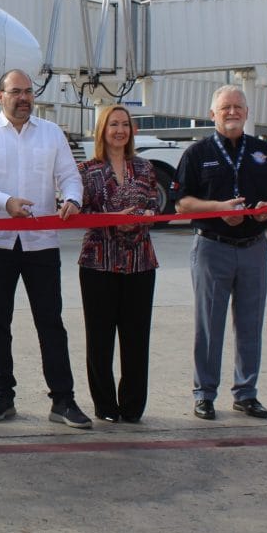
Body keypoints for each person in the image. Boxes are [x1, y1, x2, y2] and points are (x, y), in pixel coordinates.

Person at [0, 69, 92, 429]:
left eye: (28, 92)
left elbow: (69, 175)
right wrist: (5, 202)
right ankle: (2, 396)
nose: (23, 98)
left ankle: (63, 400)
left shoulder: (50, 133)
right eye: (15, 92)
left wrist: (72, 198)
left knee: (51, 322)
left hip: (41, 243)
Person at [173, 84, 267, 421]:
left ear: (247, 112)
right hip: (213, 247)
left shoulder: (264, 152)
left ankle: (246, 393)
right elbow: (182, 204)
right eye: (225, 108)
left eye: (238, 106)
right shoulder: (197, 153)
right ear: (213, 114)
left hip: (253, 247)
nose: (233, 112)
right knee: (209, 324)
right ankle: (204, 394)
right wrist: (217, 208)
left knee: (250, 323)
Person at [76, 105, 159, 424]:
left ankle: (133, 405)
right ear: (102, 130)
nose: (120, 130)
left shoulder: (146, 168)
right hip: (99, 262)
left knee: (136, 338)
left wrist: (143, 219)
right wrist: (113, 220)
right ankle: (105, 405)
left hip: (140, 262)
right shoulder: (87, 170)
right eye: (113, 124)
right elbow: (79, 213)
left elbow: (154, 208)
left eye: (125, 124)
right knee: (99, 338)